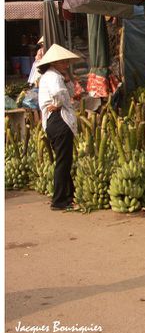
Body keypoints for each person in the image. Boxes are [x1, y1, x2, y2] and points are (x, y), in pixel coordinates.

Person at [37, 44, 82, 211]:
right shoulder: (53, 77)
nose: (67, 64)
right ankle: (59, 200)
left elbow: (68, 92)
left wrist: (68, 80)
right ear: (55, 62)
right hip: (59, 120)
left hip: (54, 122)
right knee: (63, 161)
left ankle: (68, 195)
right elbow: (60, 94)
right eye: (64, 62)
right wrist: (57, 104)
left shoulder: (55, 76)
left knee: (64, 159)